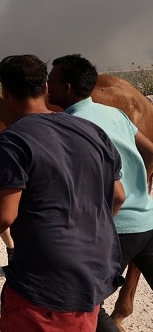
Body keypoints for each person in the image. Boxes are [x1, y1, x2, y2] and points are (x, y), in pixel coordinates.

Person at [0, 54, 125, 332]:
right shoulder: (93, 131)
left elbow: (3, 215)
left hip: (46, 283)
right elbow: (118, 195)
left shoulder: (12, 140)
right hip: (94, 275)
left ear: (5, 93)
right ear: (46, 89)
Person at [47, 54, 153, 332]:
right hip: (147, 221)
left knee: (84, 301)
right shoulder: (115, 114)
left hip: (117, 229)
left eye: (51, 82)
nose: (46, 88)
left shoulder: (70, 126)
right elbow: (151, 150)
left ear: (67, 89)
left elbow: (114, 194)